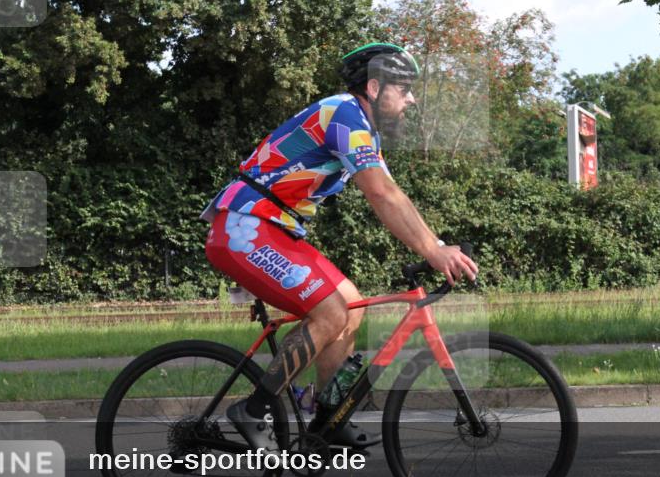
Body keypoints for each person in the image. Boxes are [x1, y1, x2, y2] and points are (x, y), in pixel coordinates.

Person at [201, 42, 478, 453]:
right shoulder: (343, 115)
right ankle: (253, 410)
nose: (411, 98)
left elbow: (394, 196)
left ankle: (328, 422)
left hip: (272, 229)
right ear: (373, 86)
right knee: (330, 312)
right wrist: (433, 254)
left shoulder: (363, 130)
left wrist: (435, 245)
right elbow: (380, 195)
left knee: (349, 308)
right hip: (246, 224)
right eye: (403, 88)